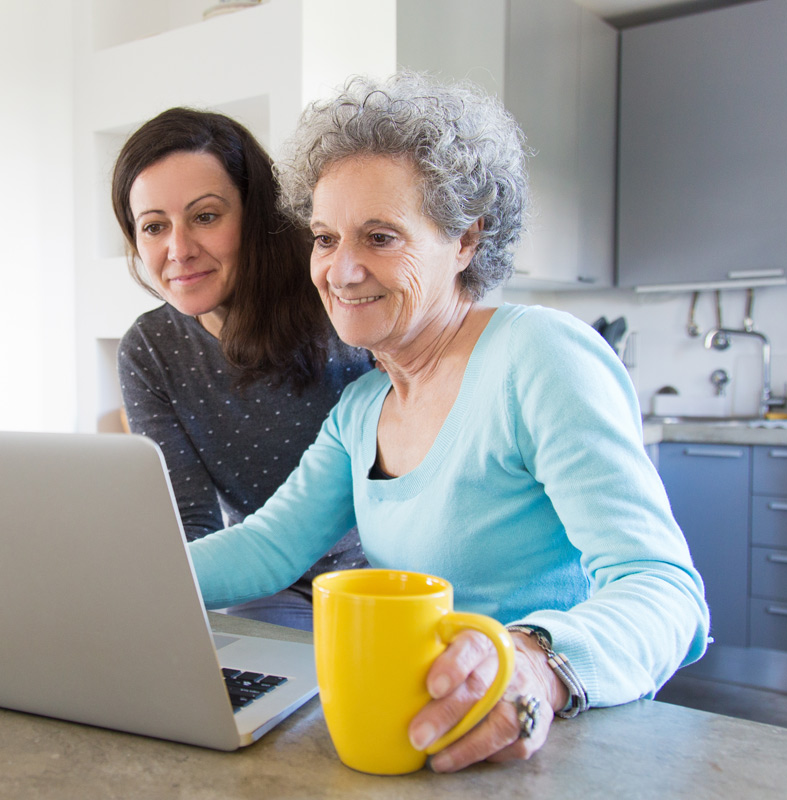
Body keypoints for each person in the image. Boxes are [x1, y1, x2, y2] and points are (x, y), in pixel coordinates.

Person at [187, 72, 710, 772]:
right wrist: (116, 572)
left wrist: (536, 666)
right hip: (415, 744)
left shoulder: (539, 357)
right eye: (324, 238)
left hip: (553, 746)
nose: (341, 271)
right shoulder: (363, 408)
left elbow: (665, 588)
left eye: (379, 236)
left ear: (466, 240)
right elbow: (266, 548)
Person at [112, 108, 373, 630]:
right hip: (264, 585)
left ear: (256, 214)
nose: (179, 250)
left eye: (206, 216)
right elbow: (192, 525)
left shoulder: (337, 295)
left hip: (382, 578)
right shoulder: (151, 349)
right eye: (154, 227)